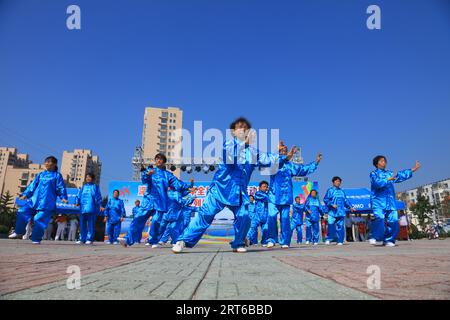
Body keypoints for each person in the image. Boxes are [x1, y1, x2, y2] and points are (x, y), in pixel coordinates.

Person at [173, 117, 292, 253]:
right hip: (220, 190)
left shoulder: (253, 152)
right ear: (234, 132)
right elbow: (230, 160)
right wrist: (243, 144)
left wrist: (284, 156)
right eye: (239, 127)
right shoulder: (228, 145)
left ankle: (239, 242)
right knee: (205, 215)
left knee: (245, 216)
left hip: (239, 193)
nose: (243, 129)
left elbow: (268, 159)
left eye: (245, 128)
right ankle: (182, 241)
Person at [119, 153, 194, 248]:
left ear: (164, 162)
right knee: (138, 219)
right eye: (157, 158)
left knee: (156, 221)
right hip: (149, 200)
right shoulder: (150, 171)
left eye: (161, 159)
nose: (158, 160)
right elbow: (144, 180)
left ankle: (153, 241)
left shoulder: (168, 175)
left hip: (160, 202)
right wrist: (147, 175)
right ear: (155, 160)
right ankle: (128, 239)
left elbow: (177, 183)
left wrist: (188, 187)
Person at [266, 144, 321, 249]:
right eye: (281, 150)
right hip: (273, 196)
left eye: (285, 150)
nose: (283, 151)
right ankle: (272, 239)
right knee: (272, 217)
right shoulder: (273, 163)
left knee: (285, 219)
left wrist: (316, 163)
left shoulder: (291, 166)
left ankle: (285, 241)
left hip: (286, 197)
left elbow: (303, 169)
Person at [9, 156, 68, 244]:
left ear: (54, 164)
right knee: (22, 211)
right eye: (46, 162)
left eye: (49, 162)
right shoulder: (41, 174)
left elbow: (60, 187)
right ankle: (19, 232)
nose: (46, 163)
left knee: (38, 219)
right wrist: (26, 194)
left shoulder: (57, 175)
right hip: (34, 200)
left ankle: (36, 239)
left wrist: (63, 197)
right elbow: (33, 185)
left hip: (47, 202)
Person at [369, 156, 421, 247]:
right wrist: (387, 180)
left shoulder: (390, 173)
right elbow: (376, 183)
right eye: (381, 161)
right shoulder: (373, 173)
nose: (384, 162)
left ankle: (389, 240)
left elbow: (400, 175)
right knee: (380, 218)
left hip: (390, 202)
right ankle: (374, 236)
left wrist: (413, 169)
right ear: (377, 164)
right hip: (378, 201)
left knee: (393, 221)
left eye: (385, 161)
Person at [323, 176, 356, 246]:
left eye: (339, 181)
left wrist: (350, 207)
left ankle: (340, 240)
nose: (338, 183)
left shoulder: (342, 191)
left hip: (341, 212)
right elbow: (325, 199)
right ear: (333, 182)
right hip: (332, 212)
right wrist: (332, 204)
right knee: (331, 225)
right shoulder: (330, 190)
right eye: (337, 181)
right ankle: (329, 239)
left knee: (340, 226)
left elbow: (345, 200)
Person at [74, 173, 103, 245]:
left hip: (91, 208)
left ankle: (89, 239)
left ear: (92, 178)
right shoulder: (83, 187)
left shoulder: (95, 187)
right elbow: (78, 195)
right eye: (87, 177)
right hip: (83, 208)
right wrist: (77, 202)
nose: (88, 178)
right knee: (82, 224)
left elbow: (98, 197)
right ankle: (82, 238)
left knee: (91, 224)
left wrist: (100, 205)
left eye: (89, 177)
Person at [247, 181, 270, 246]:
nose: (266, 188)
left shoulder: (268, 194)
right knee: (253, 228)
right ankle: (247, 239)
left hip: (265, 215)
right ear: (259, 188)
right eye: (264, 186)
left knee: (265, 229)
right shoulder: (258, 194)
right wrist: (269, 195)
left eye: (266, 187)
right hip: (257, 216)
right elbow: (266, 198)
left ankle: (264, 242)